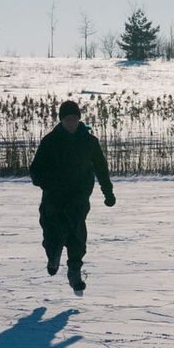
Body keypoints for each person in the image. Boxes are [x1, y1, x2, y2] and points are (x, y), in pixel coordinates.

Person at [29, 100, 116, 293]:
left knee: (77, 233)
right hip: (54, 196)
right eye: (68, 119)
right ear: (61, 120)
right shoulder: (50, 141)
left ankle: (74, 271)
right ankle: (53, 255)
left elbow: (101, 168)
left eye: (75, 119)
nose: (71, 123)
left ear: (79, 119)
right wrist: (46, 183)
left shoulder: (89, 142)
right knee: (52, 231)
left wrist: (108, 192)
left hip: (78, 196)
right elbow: (35, 170)